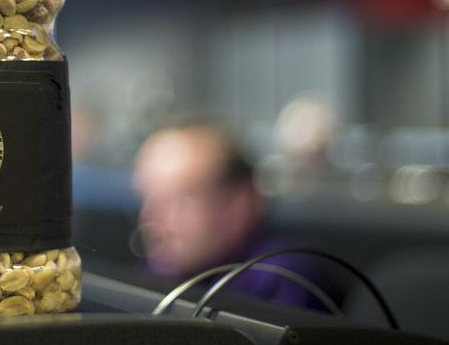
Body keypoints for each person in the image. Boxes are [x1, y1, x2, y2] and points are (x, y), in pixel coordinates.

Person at [132, 117, 335, 311]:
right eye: (147, 197)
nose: (152, 215)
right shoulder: (164, 268)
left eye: (182, 199)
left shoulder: (283, 278)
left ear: (240, 203)